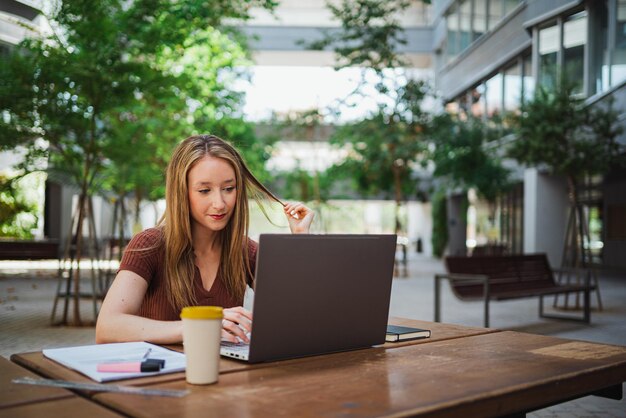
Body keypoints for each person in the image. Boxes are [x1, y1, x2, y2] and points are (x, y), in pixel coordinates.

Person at [95, 134, 314, 344]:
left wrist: (301, 242)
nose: (219, 203)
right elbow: (107, 327)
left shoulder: (245, 251)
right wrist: (200, 327)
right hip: (161, 378)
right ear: (182, 193)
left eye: (229, 188)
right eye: (204, 190)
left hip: (223, 377)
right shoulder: (149, 245)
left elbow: (296, 316)